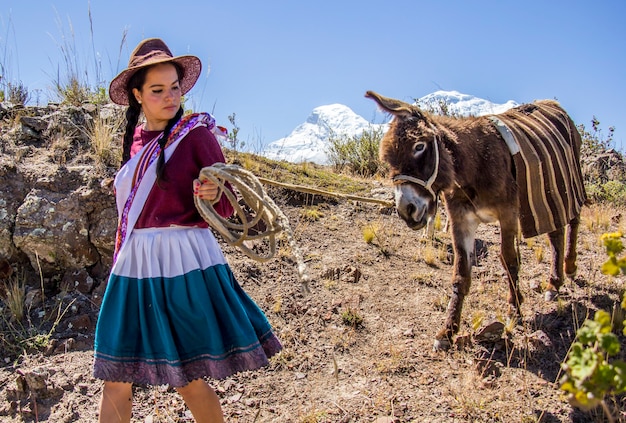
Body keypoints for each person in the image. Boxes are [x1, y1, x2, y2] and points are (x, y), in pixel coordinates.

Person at [93, 38, 282, 423]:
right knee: (115, 375)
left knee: (188, 379)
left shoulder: (197, 136)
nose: (170, 97)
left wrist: (213, 195)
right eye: (157, 90)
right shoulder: (135, 142)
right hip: (135, 265)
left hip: (183, 263)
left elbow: (229, 208)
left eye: (175, 87)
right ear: (137, 96)